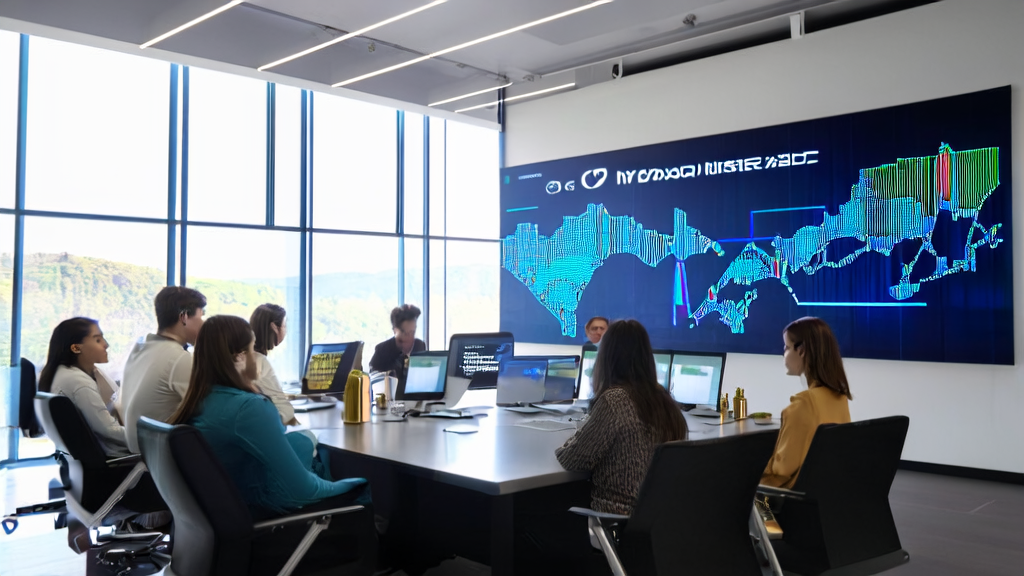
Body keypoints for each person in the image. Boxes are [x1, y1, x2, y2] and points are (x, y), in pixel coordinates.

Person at [169, 315, 368, 518]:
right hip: (266, 511)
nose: (257, 357)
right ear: (239, 356)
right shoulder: (249, 408)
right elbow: (306, 491)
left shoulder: (199, 401)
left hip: (225, 511)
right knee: (366, 490)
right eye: (252, 349)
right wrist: (359, 483)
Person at [555, 319, 687, 515]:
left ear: (607, 358)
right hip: (657, 522)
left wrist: (570, 440)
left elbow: (572, 459)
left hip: (615, 521)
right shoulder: (666, 401)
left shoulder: (614, 400)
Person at [761, 317, 853, 489]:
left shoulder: (803, 404)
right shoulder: (840, 398)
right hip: (825, 496)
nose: (784, 354)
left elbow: (781, 471)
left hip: (787, 501)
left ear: (801, 350)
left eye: (787, 347)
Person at [121, 286, 206, 453]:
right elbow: (207, 411)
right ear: (184, 317)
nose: (204, 324)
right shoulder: (178, 358)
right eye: (201, 317)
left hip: (139, 449)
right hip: (161, 458)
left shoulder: (141, 348)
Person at [38, 317, 130, 458]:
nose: (106, 345)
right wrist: (148, 440)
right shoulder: (78, 382)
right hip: (115, 458)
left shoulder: (62, 373)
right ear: (75, 348)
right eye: (97, 340)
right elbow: (108, 430)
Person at [250, 303, 298, 426]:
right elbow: (284, 410)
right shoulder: (259, 361)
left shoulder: (243, 357)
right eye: (284, 325)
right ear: (274, 327)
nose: (285, 330)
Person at [369, 304, 426, 374]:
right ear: (395, 330)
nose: (410, 337)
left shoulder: (419, 346)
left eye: (412, 332)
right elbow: (373, 379)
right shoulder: (382, 350)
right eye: (405, 333)